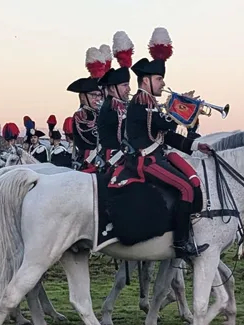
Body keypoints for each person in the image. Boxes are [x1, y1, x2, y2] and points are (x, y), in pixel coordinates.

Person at [122, 27, 213, 258]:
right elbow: (165, 125)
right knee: (184, 188)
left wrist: (195, 145)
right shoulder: (142, 101)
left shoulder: (151, 102)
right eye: (159, 79)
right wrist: (184, 109)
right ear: (146, 80)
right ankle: (180, 244)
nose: (163, 83)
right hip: (145, 160)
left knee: (192, 183)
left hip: (157, 155)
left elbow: (168, 136)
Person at [97, 31, 134, 168]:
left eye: (128, 85)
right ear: (112, 88)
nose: (129, 89)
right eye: (125, 85)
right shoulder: (111, 107)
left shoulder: (121, 106)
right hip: (114, 160)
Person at [67, 46, 107, 172]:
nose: (97, 99)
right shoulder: (80, 116)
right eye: (93, 95)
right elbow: (92, 136)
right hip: (89, 162)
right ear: (83, 97)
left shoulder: (101, 112)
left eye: (99, 95)